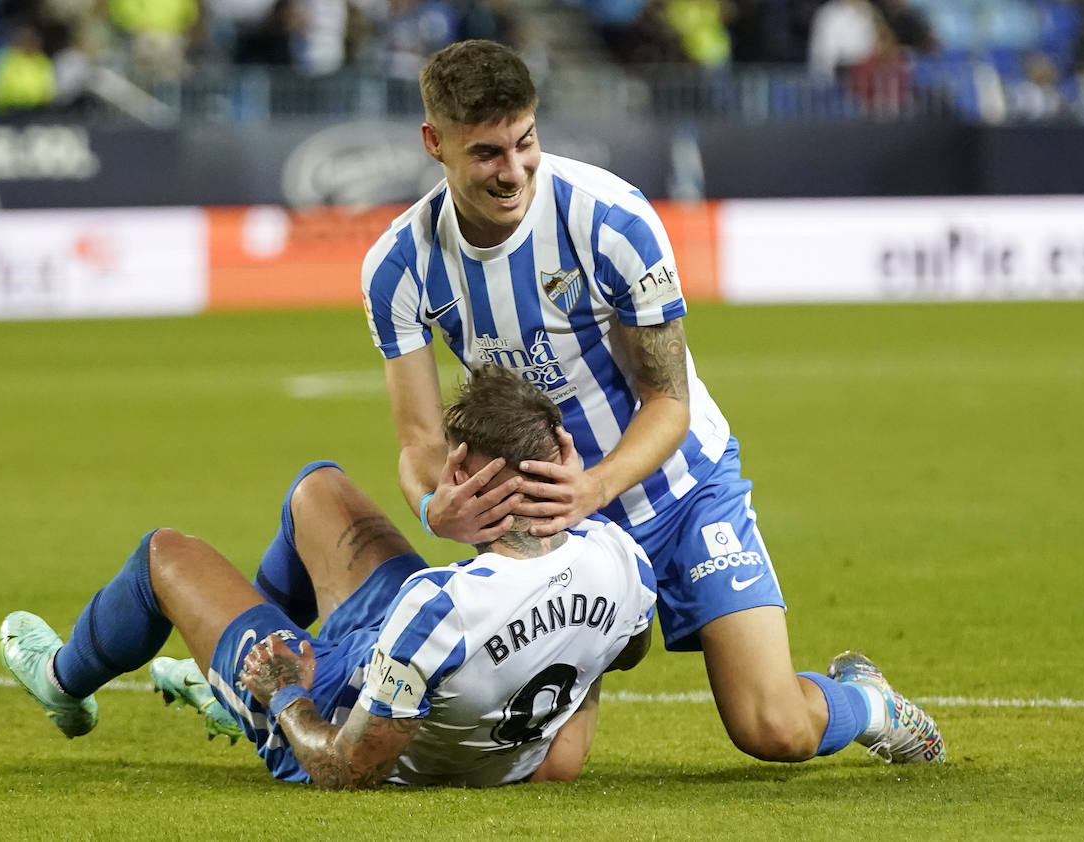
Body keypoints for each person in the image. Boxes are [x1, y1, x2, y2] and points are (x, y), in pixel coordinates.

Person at [361, 38, 944, 766]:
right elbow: (418, 440)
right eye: (486, 154)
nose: (513, 172)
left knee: (774, 729)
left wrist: (594, 487)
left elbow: (667, 400)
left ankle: (867, 700)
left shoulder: (610, 221)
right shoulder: (397, 266)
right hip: (551, 518)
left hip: (679, 487)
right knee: (548, 771)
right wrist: (430, 507)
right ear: (434, 143)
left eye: (525, 143)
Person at [0, 364, 657, 789]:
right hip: (447, 696)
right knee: (319, 489)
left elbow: (345, 769)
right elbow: (624, 650)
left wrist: (285, 696)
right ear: (562, 458)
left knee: (161, 554)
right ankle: (223, 681)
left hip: (335, 708)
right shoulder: (622, 560)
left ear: (460, 473)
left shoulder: (439, 607)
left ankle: (62, 679)